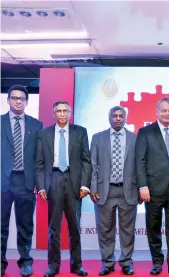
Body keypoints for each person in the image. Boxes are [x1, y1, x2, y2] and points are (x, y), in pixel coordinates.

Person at [35, 100, 92, 277]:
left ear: (70, 112)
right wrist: (41, 186)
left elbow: (86, 161)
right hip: (53, 179)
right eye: (58, 111)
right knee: (54, 228)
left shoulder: (80, 132)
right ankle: (53, 266)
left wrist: (85, 184)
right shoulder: (43, 134)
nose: (62, 114)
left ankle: (76, 266)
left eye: (65, 111)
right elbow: (39, 163)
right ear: (54, 114)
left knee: (75, 226)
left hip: (74, 181)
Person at [135, 97, 169, 276]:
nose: (167, 114)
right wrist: (142, 186)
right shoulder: (145, 132)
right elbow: (139, 161)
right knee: (154, 227)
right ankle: (157, 262)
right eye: (163, 110)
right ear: (157, 111)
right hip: (152, 188)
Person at [90, 106, 138, 276]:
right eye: (114, 116)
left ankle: (126, 263)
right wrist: (93, 188)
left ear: (125, 118)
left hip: (128, 191)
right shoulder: (97, 138)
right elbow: (93, 165)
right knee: (105, 230)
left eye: (121, 115)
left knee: (127, 231)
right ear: (109, 118)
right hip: (105, 191)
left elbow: (140, 166)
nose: (118, 118)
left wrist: (140, 189)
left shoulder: (135, 138)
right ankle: (108, 263)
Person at [1, 85, 43, 277]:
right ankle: (1, 263)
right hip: (3, 181)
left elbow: (39, 156)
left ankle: (25, 262)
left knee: (25, 225)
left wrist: (38, 181)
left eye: (22, 98)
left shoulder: (36, 125)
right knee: (1, 225)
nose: (18, 101)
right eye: (14, 98)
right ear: (8, 100)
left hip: (26, 182)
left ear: (27, 101)